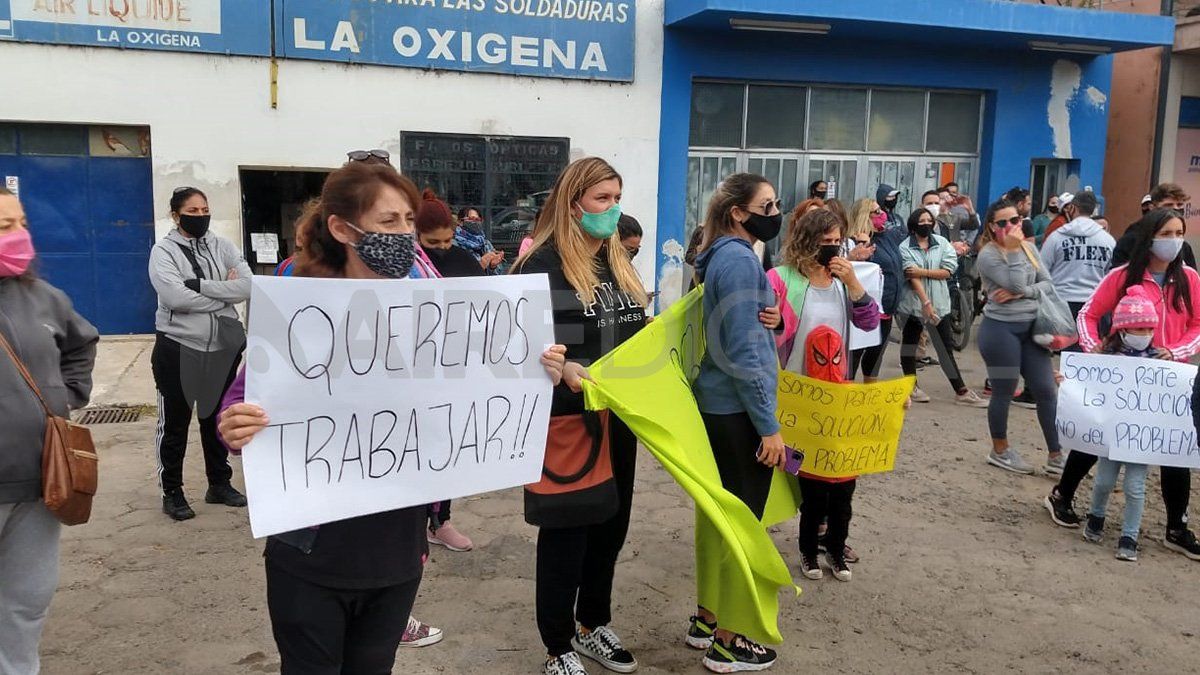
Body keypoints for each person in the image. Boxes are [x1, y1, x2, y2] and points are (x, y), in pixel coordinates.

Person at [216, 161, 569, 673]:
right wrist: (235, 426)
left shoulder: (434, 311)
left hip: (398, 548)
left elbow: (480, 381)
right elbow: (239, 403)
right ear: (342, 228)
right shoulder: (299, 307)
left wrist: (538, 368)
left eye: (408, 220)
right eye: (388, 223)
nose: (404, 233)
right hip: (313, 548)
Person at [512, 157, 648, 675]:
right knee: (568, 532)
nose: (613, 210)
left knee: (611, 525)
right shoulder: (540, 266)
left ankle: (593, 624)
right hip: (565, 421)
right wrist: (563, 365)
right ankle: (557, 646)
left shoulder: (617, 261)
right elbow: (512, 345)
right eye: (602, 200)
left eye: (617, 198)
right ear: (573, 203)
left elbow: (630, 332)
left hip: (619, 417)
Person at [1046, 208, 1200, 560]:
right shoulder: (1121, 276)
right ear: (1149, 236)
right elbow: (1088, 313)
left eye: (1180, 233)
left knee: (1173, 451)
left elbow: (1198, 323)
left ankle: (1177, 526)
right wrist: (1093, 348)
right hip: (1122, 375)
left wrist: (1177, 351)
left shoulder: (1189, 279)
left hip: (1168, 382)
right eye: (1167, 233)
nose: (1174, 241)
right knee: (1098, 434)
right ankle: (1062, 495)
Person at [0, 186, 99, 675]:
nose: (18, 236)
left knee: (25, 606)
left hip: (41, 484)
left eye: (20, 223)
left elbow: (82, 343)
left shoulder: (44, 297)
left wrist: (68, 395)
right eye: (4, 227)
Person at [688, 173, 783, 673]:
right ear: (739, 213)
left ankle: (706, 619)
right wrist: (768, 425)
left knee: (716, 516)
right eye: (767, 204)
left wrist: (774, 318)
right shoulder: (740, 261)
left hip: (717, 405)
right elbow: (746, 353)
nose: (776, 211)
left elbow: (740, 326)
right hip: (738, 412)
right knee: (743, 524)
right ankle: (730, 640)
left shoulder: (720, 255)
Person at [767, 208, 880, 582]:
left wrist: (855, 286)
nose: (832, 249)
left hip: (833, 396)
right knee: (797, 470)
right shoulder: (780, 278)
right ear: (806, 241)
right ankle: (807, 536)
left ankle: (829, 540)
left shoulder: (843, 281)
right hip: (792, 393)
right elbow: (766, 332)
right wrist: (775, 322)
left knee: (835, 475)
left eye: (837, 242)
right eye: (824, 242)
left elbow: (868, 324)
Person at [148, 186, 251, 521]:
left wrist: (200, 286)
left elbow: (248, 285)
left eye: (204, 209)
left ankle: (219, 484)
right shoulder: (163, 252)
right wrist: (225, 294)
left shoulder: (223, 246)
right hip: (179, 348)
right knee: (175, 424)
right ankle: (173, 491)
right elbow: (176, 298)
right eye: (192, 211)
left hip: (222, 347)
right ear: (176, 216)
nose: (200, 216)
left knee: (216, 420)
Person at [975, 199, 1064, 476]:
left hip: (1031, 330)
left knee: (1046, 390)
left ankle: (1056, 454)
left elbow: (1048, 284)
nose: (1011, 227)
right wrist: (1014, 254)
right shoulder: (988, 255)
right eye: (1002, 223)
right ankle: (1000, 449)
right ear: (992, 226)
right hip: (1000, 332)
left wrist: (1023, 292)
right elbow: (1014, 282)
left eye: (1015, 221)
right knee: (1004, 389)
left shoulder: (1030, 247)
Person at [412, 190, 480, 552]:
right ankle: (412, 522)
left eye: (448, 240)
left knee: (446, 447)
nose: (441, 248)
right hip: (409, 373)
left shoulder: (465, 259)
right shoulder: (406, 265)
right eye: (431, 242)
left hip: (453, 369)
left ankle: (440, 520)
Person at [1077, 288, 1159, 562]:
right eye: (1139, 327)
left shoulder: (1161, 361)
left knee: (1136, 487)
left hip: (1140, 438)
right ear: (1122, 330)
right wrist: (1066, 382)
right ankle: (1096, 517)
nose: (1145, 333)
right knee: (1103, 482)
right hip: (1112, 435)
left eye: (1149, 327)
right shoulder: (1105, 359)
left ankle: (1130, 536)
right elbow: (1085, 383)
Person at [898, 208, 987, 407]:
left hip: (940, 304)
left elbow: (947, 271)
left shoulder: (942, 243)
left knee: (944, 347)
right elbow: (911, 276)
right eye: (922, 220)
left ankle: (961, 391)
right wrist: (925, 303)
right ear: (914, 224)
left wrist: (922, 271)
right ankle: (910, 385)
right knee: (910, 345)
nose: (926, 223)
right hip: (914, 304)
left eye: (929, 220)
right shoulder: (905, 247)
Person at [1039, 191, 1115, 324]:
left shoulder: (1057, 237)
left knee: (1061, 344)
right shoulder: (1108, 240)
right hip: (1093, 303)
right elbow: (1112, 275)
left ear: (1073, 208)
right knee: (1089, 344)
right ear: (1093, 210)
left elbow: (1041, 270)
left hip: (1060, 302)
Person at [1112, 183, 1196, 270]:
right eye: (1168, 205)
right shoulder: (1130, 241)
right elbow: (1118, 278)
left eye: (1179, 205)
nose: (1175, 209)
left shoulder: (1183, 247)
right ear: (1152, 207)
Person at [454, 207, 504, 274]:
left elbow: (498, 275)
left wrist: (493, 266)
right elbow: (455, 273)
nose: (475, 222)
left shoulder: (486, 244)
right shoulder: (455, 244)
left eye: (478, 220)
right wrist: (481, 265)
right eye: (471, 219)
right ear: (460, 221)